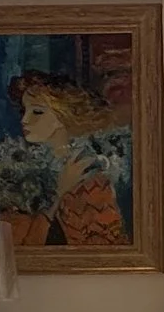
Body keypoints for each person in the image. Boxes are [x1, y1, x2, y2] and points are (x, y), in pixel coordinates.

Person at [10, 70, 130, 246]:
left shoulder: (90, 178)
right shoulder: (21, 171)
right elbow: (17, 249)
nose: (24, 120)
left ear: (63, 115)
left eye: (37, 112)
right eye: (24, 110)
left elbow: (101, 252)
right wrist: (58, 194)